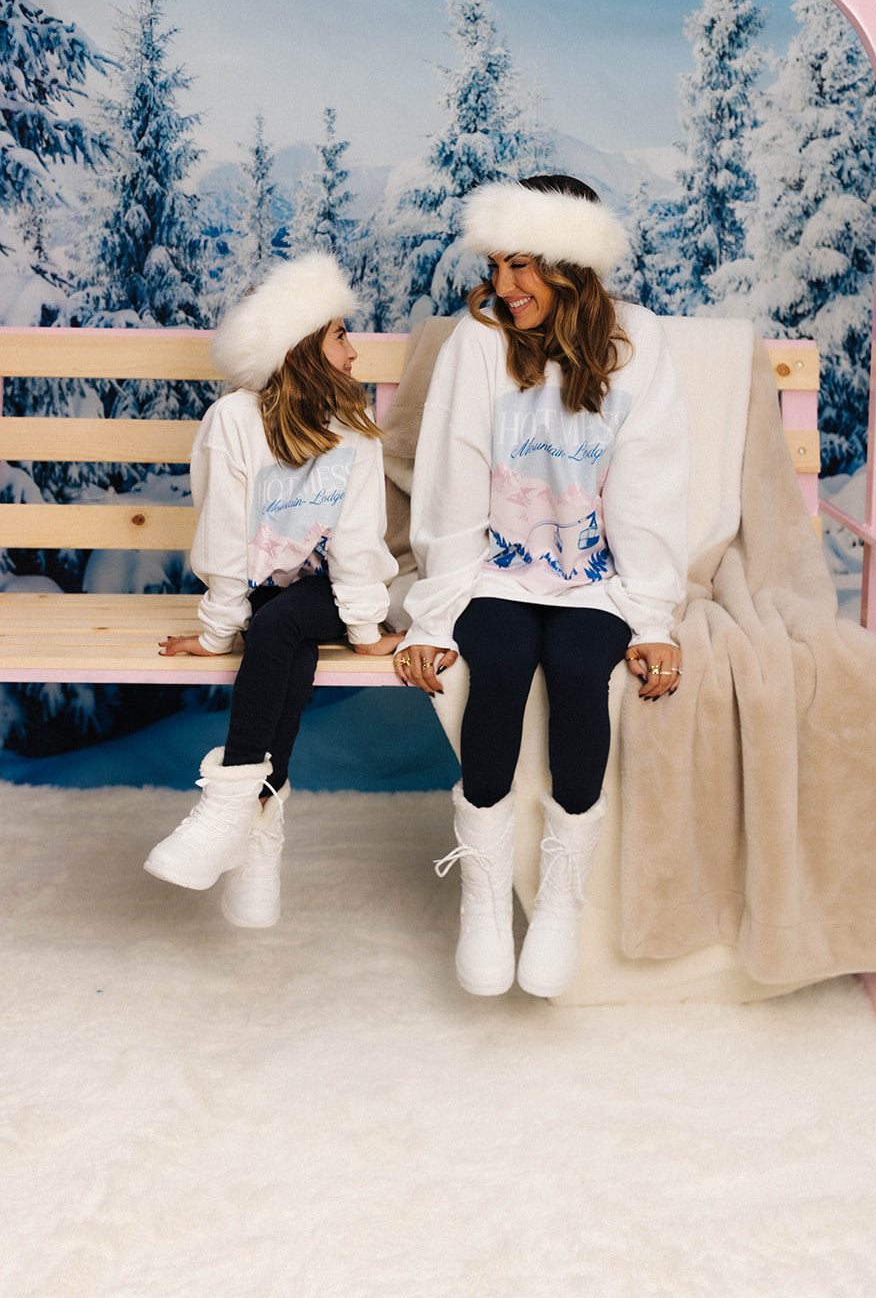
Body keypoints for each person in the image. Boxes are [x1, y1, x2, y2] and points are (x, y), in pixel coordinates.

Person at [394, 175, 688, 997]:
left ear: (571, 265)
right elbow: (451, 480)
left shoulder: (637, 341)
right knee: (495, 665)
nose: (503, 284)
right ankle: (485, 899)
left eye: (522, 265)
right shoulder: (477, 341)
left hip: (595, 579)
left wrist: (651, 615)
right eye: (494, 265)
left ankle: (560, 898)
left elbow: (649, 485)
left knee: (576, 670)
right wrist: (434, 615)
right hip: (495, 568)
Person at [145, 251, 400, 927]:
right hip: (269, 599)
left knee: (283, 624)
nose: (354, 351)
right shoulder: (232, 422)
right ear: (298, 348)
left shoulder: (353, 432)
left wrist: (366, 630)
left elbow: (356, 544)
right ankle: (258, 824)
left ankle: (223, 808)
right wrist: (215, 632)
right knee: (280, 632)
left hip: (330, 593)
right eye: (339, 335)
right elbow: (224, 539)